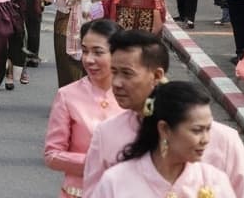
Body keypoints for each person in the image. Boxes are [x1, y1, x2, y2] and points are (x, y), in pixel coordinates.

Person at [83, 29, 244, 194]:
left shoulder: (223, 141)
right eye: (114, 72)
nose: (117, 83)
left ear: (157, 75)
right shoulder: (107, 134)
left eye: (127, 73)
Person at [87, 81, 235, 198]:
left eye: (208, 129)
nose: (206, 139)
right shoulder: (116, 182)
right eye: (197, 130)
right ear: (164, 129)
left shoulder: (214, 180)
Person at [43, 19, 120, 198]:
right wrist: (97, 162)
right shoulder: (67, 95)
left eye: (98, 52)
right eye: (85, 51)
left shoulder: (135, 97)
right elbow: (52, 154)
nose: (88, 59)